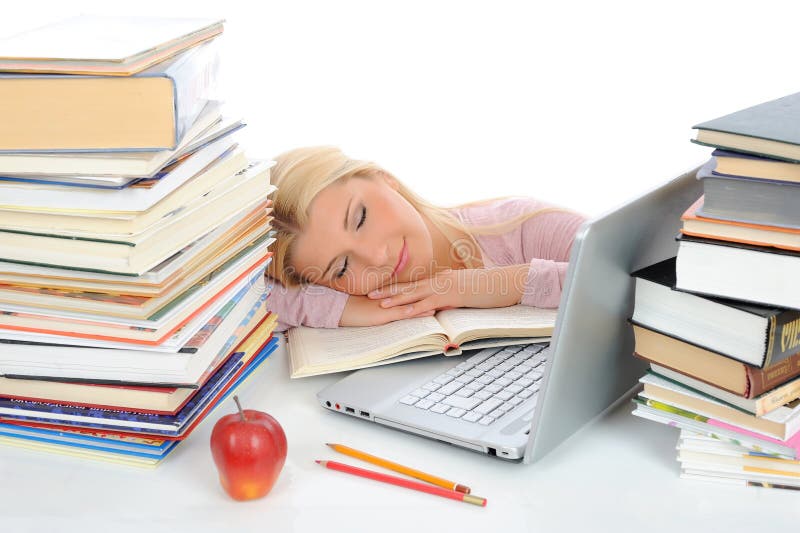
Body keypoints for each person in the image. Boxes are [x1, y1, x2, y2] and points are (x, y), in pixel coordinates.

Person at [264, 146, 587, 333]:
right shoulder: (350, 298)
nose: (377, 257)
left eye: (360, 218)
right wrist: (343, 310)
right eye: (342, 267)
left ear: (383, 178)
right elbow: (239, 298)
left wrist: (487, 285)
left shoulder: (519, 225)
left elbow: (632, 272)